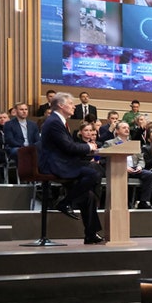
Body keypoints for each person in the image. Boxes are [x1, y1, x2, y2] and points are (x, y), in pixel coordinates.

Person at [38, 92, 103, 243]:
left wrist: (88, 149)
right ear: (61, 105)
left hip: (64, 161)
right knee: (93, 174)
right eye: (71, 103)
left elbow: (67, 147)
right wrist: (88, 147)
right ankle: (64, 202)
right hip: (55, 165)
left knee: (89, 196)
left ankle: (90, 234)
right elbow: (68, 147)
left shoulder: (59, 121)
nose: (74, 106)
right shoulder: (54, 121)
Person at [104, 121, 152, 209]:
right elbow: (107, 160)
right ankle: (123, 203)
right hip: (119, 169)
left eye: (128, 128)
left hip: (134, 168)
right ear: (117, 130)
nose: (127, 129)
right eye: (124, 128)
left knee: (149, 175)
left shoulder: (133, 144)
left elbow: (141, 159)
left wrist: (140, 166)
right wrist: (124, 168)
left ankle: (143, 201)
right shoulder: (109, 143)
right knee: (121, 175)